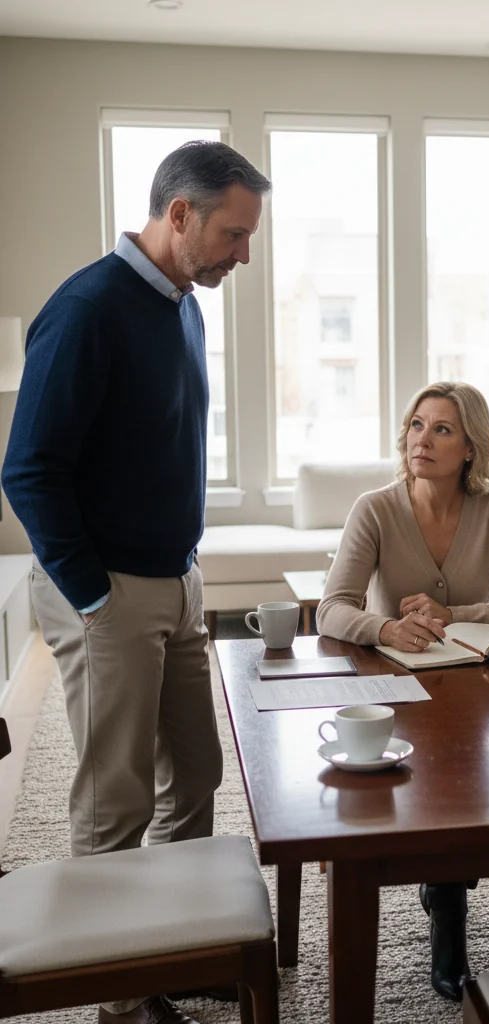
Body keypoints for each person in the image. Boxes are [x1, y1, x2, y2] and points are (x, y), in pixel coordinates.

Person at [2, 141, 270, 1024]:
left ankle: (169, 948)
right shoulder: (87, 309)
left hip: (178, 579)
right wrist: (93, 595)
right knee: (112, 798)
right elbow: (29, 469)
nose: (243, 255)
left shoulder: (184, 307)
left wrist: (186, 569)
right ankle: (120, 997)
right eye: (233, 235)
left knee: (194, 775)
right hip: (108, 591)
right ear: (179, 214)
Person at [317, 380, 489, 1001]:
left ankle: (446, 903)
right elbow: (331, 609)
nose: (422, 439)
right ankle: (449, 916)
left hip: (472, 687)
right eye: (417, 425)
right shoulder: (375, 508)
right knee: (441, 789)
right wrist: (385, 627)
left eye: (442, 429)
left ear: (471, 447)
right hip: (392, 691)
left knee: (468, 789)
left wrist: (458, 615)